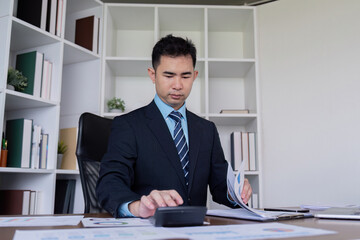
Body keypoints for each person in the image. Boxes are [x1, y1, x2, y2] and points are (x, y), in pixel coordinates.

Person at [96, 34, 252, 218]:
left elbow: (220, 186)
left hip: (196, 229)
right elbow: (110, 182)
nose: (178, 85)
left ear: (194, 76)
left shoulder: (207, 130)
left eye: (185, 76)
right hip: (149, 228)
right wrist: (137, 207)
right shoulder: (128, 125)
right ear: (152, 75)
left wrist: (236, 192)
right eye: (169, 75)